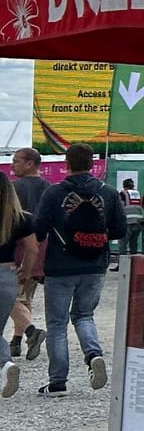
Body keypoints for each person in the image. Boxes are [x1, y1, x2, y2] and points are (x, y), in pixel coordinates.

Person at [31, 143, 125, 396]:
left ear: (67, 163)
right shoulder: (109, 192)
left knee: (57, 324)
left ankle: (58, 382)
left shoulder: (53, 193)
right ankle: (93, 354)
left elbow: (38, 230)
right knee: (84, 315)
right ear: (91, 162)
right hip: (95, 264)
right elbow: (120, 230)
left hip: (60, 266)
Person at [9, 148, 47, 362]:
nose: (13, 165)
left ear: (30, 163)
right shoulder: (49, 188)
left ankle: (32, 331)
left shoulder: (13, 189)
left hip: (16, 250)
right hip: (41, 249)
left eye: (16, 161)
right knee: (25, 297)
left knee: (8, 298)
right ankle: (16, 340)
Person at [0, 179, 34, 398]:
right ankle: (5, 366)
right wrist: (25, 270)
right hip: (7, 275)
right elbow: (32, 248)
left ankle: (6, 365)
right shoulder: (21, 218)